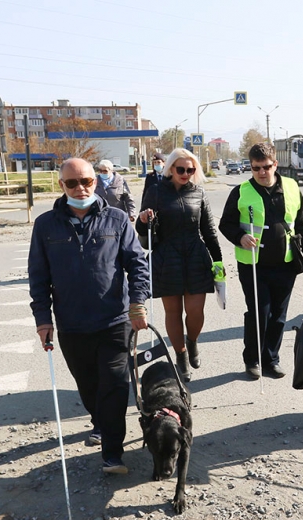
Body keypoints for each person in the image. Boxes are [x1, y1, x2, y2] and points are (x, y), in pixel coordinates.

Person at [28, 157, 150, 475]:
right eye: (73, 183)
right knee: (88, 385)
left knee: (114, 384)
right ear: (62, 186)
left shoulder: (118, 219)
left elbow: (137, 264)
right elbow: (38, 277)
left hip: (115, 319)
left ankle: (112, 452)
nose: (80, 188)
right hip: (71, 323)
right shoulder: (45, 225)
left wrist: (138, 303)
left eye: (87, 181)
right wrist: (43, 319)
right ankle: (99, 420)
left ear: (95, 182)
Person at [219, 142, 303, 379]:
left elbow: (302, 223)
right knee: (260, 312)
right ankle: (253, 360)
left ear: (275, 164)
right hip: (253, 264)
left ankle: (271, 359)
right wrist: (240, 237)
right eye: (256, 168)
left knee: (279, 315)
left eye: (266, 167)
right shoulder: (240, 192)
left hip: (286, 263)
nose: (261, 172)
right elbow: (225, 224)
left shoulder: (291, 186)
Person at [135, 148, 223, 382]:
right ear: (170, 169)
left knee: (195, 311)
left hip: (196, 257)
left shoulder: (199, 193)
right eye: (181, 169)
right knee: (172, 312)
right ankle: (180, 355)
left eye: (191, 170)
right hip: (166, 257)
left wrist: (219, 262)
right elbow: (142, 229)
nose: (186, 173)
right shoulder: (155, 191)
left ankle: (192, 341)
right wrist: (144, 220)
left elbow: (209, 231)